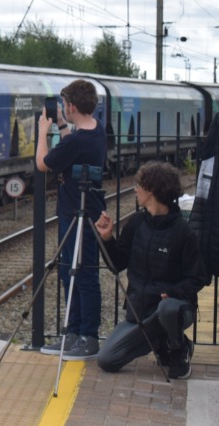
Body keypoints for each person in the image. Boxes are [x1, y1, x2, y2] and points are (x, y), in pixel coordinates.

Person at [95, 161, 208, 378]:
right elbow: (117, 264)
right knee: (107, 359)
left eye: (139, 185)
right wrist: (108, 239)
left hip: (173, 309)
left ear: (152, 191)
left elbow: (198, 277)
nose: (135, 189)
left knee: (167, 309)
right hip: (140, 311)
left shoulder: (182, 231)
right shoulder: (137, 223)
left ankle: (178, 350)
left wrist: (173, 293)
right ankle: (160, 341)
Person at [35, 79, 106, 359]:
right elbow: (72, 148)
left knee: (83, 275)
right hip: (81, 211)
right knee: (69, 272)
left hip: (79, 214)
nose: (62, 108)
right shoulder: (94, 131)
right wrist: (63, 126)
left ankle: (88, 337)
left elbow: (43, 163)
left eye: (65, 104)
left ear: (72, 105)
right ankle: (74, 334)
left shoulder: (78, 140)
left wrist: (44, 132)